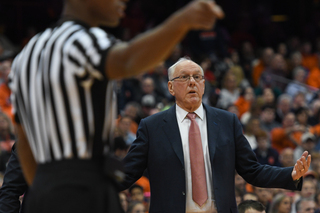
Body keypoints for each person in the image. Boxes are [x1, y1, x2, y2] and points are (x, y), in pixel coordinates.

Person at [8, 0, 225, 213]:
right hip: (84, 188)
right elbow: (127, 60)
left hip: (40, 192)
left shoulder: (27, 55)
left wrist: (48, 191)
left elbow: (25, 144)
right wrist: (182, 20)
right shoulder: (85, 40)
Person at [119, 57, 312, 212]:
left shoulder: (228, 122)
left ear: (204, 85)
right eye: (184, 77)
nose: (192, 82)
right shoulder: (151, 127)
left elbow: (252, 170)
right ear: (170, 87)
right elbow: (127, 173)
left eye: (197, 77)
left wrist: (291, 174)